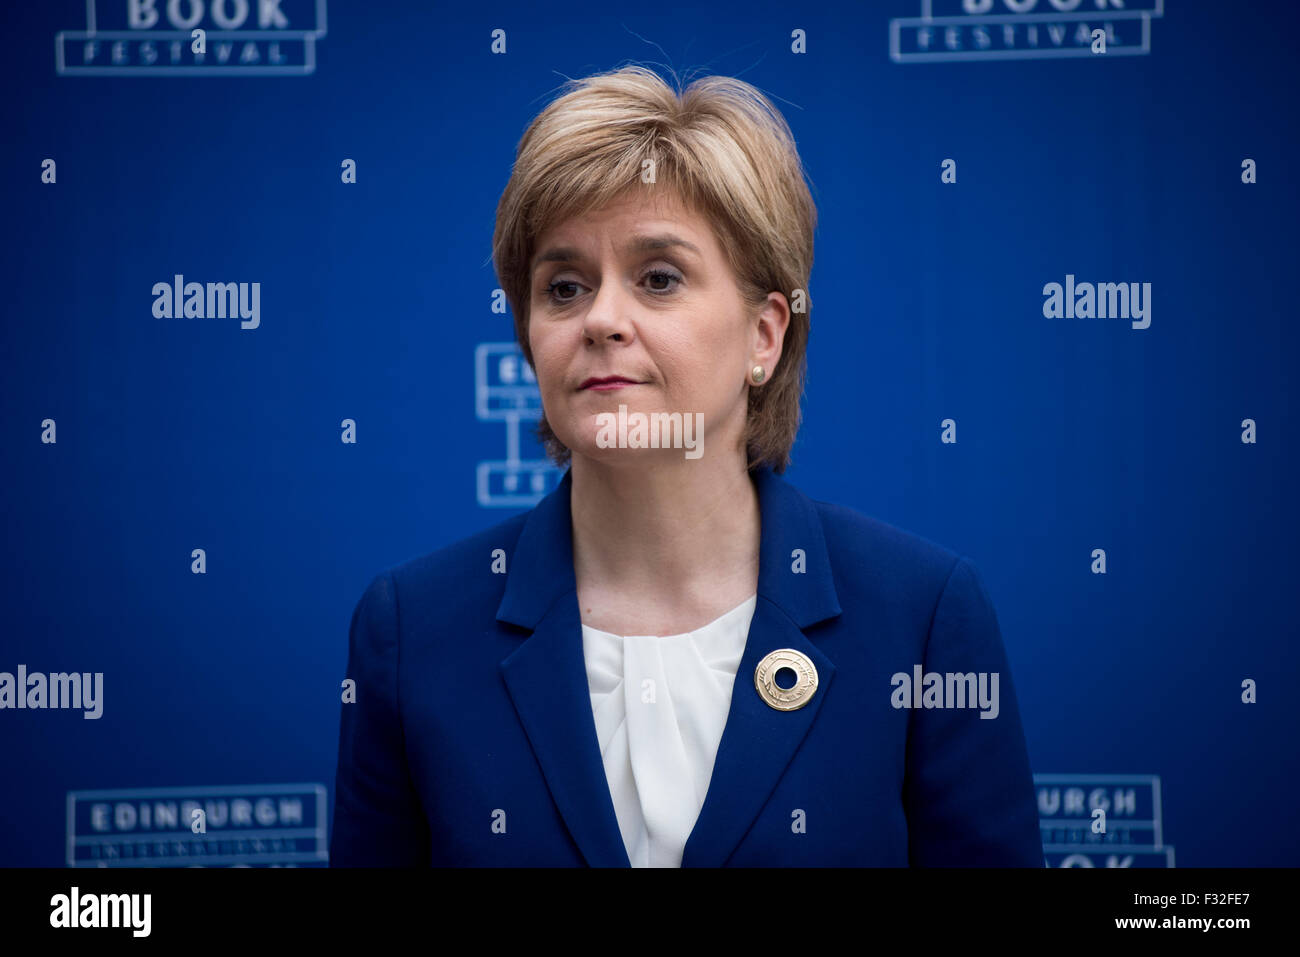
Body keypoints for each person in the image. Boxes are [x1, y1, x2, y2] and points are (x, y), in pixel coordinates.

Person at [330, 64, 1043, 867]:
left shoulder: (920, 617)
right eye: (563, 287)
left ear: (765, 335)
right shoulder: (411, 629)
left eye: (658, 278)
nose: (600, 317)